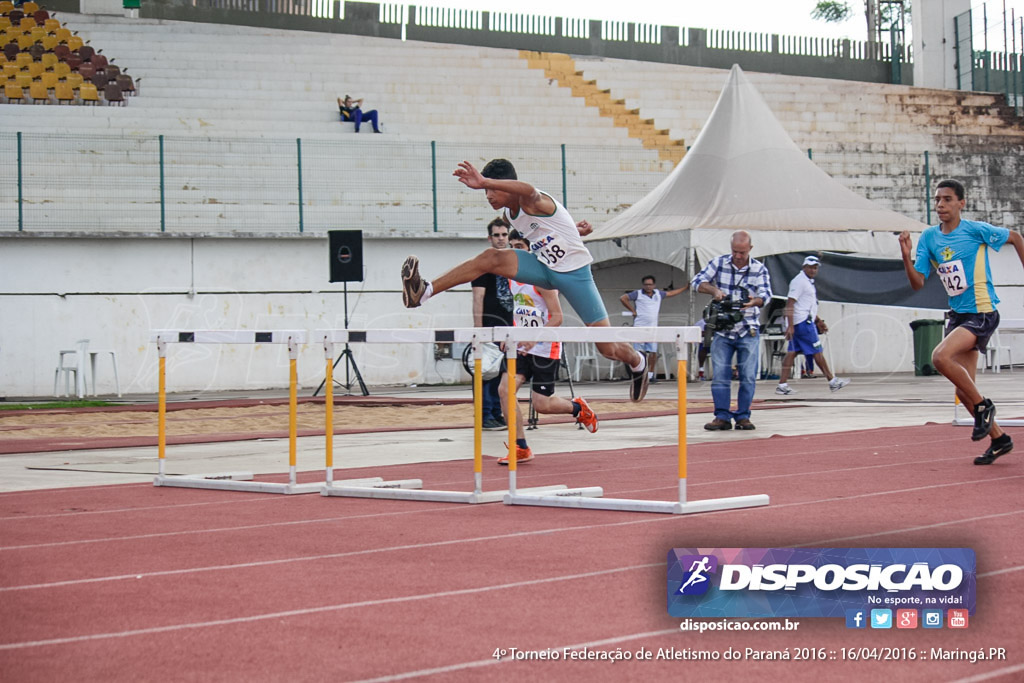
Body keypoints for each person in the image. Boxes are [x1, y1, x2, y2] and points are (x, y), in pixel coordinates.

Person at [400, 158, 652, 401]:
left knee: (607, 349)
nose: (487, 196)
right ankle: (424, 291)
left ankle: (638, 362)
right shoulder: (510, 216)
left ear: (505, 185)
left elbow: (529, 190)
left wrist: (484, 180)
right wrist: (574, 229)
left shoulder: (531, 199)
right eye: (485, 191)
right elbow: (546, 232)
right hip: (543, 269)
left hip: (575, 274)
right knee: (491, 258)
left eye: (490, 190)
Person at [899, 179, 1024, 465]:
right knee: (963, 388)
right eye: (937, 200)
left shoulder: (975, 230)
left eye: (946, 199)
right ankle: (1000, 439)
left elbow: (1016, 237)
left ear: (961, 203)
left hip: (982, 311)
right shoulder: (929, 237)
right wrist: (906, 256)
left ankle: (984, 407)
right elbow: (918, 283)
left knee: (940, 357)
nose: (940, 205)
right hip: (957, 314)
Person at [495, 230, 599, 464]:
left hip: (544, 348)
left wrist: (535, 338)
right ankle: (520, 446)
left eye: (519, 246)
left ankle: (577, 409)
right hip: (521, 346)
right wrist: (511, 335)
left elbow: (557, 317)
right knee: (504, 390)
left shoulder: (543, 281)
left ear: (530, 250)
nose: (515, 251)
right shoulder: (511, 278)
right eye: (511, 246)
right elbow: (521, 313)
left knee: (542, 405)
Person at [690, 230, 772, 431]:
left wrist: (754, 302)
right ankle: (722, 416)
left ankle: (743, 416)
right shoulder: (718, 263)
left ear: (750, 249)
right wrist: (714, 291)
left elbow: (767, 295)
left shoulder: (759, 269)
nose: (737, 256)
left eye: (742, 252)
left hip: (747, 329)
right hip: (723, 330)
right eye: (735, 251)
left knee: (748, 375)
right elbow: (696, 282)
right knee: (719, 374)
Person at [775, 256, 850, 395]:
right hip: (802, 323)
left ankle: (782, 384)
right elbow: (790, 303)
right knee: (817, 351)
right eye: (810, 267)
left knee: (792, 353)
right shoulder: (799, 282)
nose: (813, 270)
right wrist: (790, 325)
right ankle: (832, 381)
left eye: (815, 267)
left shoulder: (807, 282)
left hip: (802, 321)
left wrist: (818, 321)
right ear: (804, 267)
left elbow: (806, 306)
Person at [473, 218, 514, 430]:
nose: (501, 239)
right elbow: (478, 298)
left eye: (504, 235)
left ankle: (497, 413)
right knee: (487, 372)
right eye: (496, 235)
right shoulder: (483, 265)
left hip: (509, 327)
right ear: (490, 238)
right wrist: (479, 332)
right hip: (489, 326)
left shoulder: (513, 262)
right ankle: (485, 415)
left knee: (503, 373)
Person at [619, 275, 687, 382]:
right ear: (643, 285)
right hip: (639, 327)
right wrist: (633, 310)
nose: (648, 287)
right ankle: (639, 375)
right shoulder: (638, 293)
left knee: (653, 352)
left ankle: (650, 376)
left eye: (650, 284)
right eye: (646, 284)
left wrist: (685, 287)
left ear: (654, 285)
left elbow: (671, 293)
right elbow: (623, 298)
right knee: (639, 353)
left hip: (653, 328)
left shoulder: (658, 294)